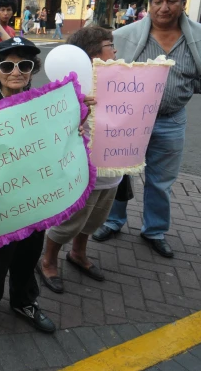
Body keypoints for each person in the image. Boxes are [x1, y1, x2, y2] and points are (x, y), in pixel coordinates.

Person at [92, 0, 201, 258]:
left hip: (170, 120)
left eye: (171, 1)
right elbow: (106, 70)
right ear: (149, 5)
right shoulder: (124, 35)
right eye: (158, 1)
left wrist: (191, 89)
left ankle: (155, 231)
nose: (164, 7)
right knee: (117, 174)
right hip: (127, 120)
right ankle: (113, 221)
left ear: (183, 4)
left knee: (161, 180)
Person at [0, 37, 56, 337]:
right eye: (7, 65)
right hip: (0, 202)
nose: (16, 71)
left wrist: (77, 122)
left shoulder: (45, 104)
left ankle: (24, 301)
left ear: (32, 70)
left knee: (29, 253)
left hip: (35, 198)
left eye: (25, 65)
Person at [38, 27, 122, 293]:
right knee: (70, 221)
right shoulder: (68, 89)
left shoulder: (121, 80)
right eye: (110, 45)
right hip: (82, 172)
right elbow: (51, 127)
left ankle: (78, 253)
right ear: (92, 54)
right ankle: (48, 260)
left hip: (113, 167)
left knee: (95, 218)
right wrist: (77, 105)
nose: (115, 51)